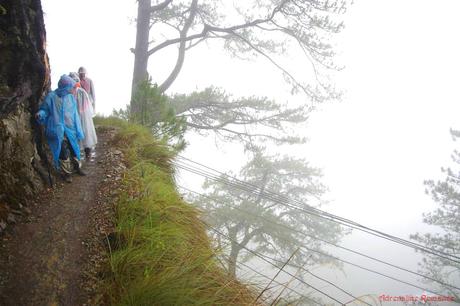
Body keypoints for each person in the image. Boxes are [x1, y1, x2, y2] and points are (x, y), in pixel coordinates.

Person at [36, 74, 86, 182]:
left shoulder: (70, 98)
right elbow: (45, 109)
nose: (73, 90)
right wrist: (40, 114)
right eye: (72, 87)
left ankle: (77, 168)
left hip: (70, 128)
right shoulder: (52, 96)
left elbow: (74, 114)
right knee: (63, 151)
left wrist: (78, 129)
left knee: (74, 148)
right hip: (57, 129)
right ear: (65, 87)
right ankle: (67, 173)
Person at [69, 72, 98, 159]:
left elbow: (87, 106)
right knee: (77, 134)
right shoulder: (69, 92)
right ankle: (76, 155)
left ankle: (87, 152)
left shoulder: (82, 92)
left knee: (86, 133)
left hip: (83, 116)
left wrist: (81, 112)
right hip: (75, 116)